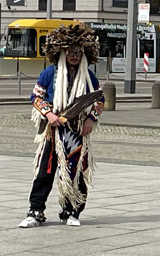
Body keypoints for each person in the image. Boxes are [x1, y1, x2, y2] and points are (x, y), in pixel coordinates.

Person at [19, 23, 104, 228]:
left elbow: (99, 100)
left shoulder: (88, 76)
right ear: (62, 52)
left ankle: (71, 211)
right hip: (53, 131)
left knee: (77, 173)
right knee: (45, 171)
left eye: (77, 52)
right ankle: (35, 211)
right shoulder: (51, 73)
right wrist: (48, 114)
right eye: (70, 52)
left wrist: (91, 119)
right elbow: (36, 97)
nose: (74, 56)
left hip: (76, 132)